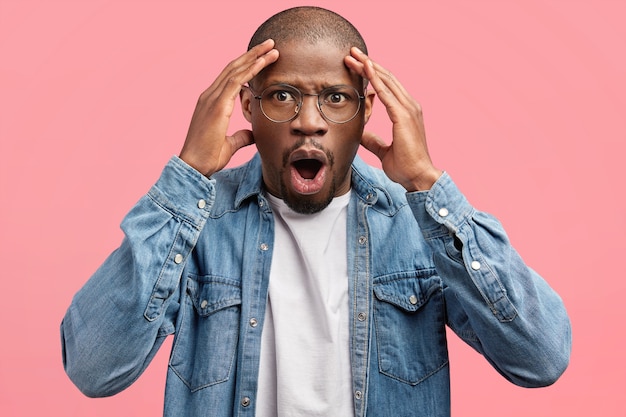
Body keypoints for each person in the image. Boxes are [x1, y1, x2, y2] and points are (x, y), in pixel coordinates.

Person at [61, 6, 571, 417]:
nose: (310, 122)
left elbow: (540, 358)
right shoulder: (197, 228)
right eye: (282, 96)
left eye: (335, 98)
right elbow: (94, 368)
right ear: (245, 104)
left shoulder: (419, 228)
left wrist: (426, 184)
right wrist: (187, 175)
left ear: (368, 109)